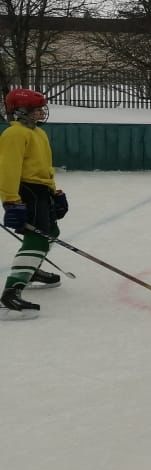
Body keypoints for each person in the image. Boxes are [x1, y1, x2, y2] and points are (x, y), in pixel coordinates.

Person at [1, 89, 66, 320]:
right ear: (21, 112)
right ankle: (11, 292)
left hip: (40, 190)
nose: (41, 112)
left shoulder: (38, 133)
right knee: (37, 237)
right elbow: (8, 168)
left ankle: (31, 271)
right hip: (25, 190)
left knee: (51, 232)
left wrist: (54, 191)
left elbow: (44, 166)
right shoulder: (15, 135)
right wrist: (11, 200)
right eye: (36, 109)